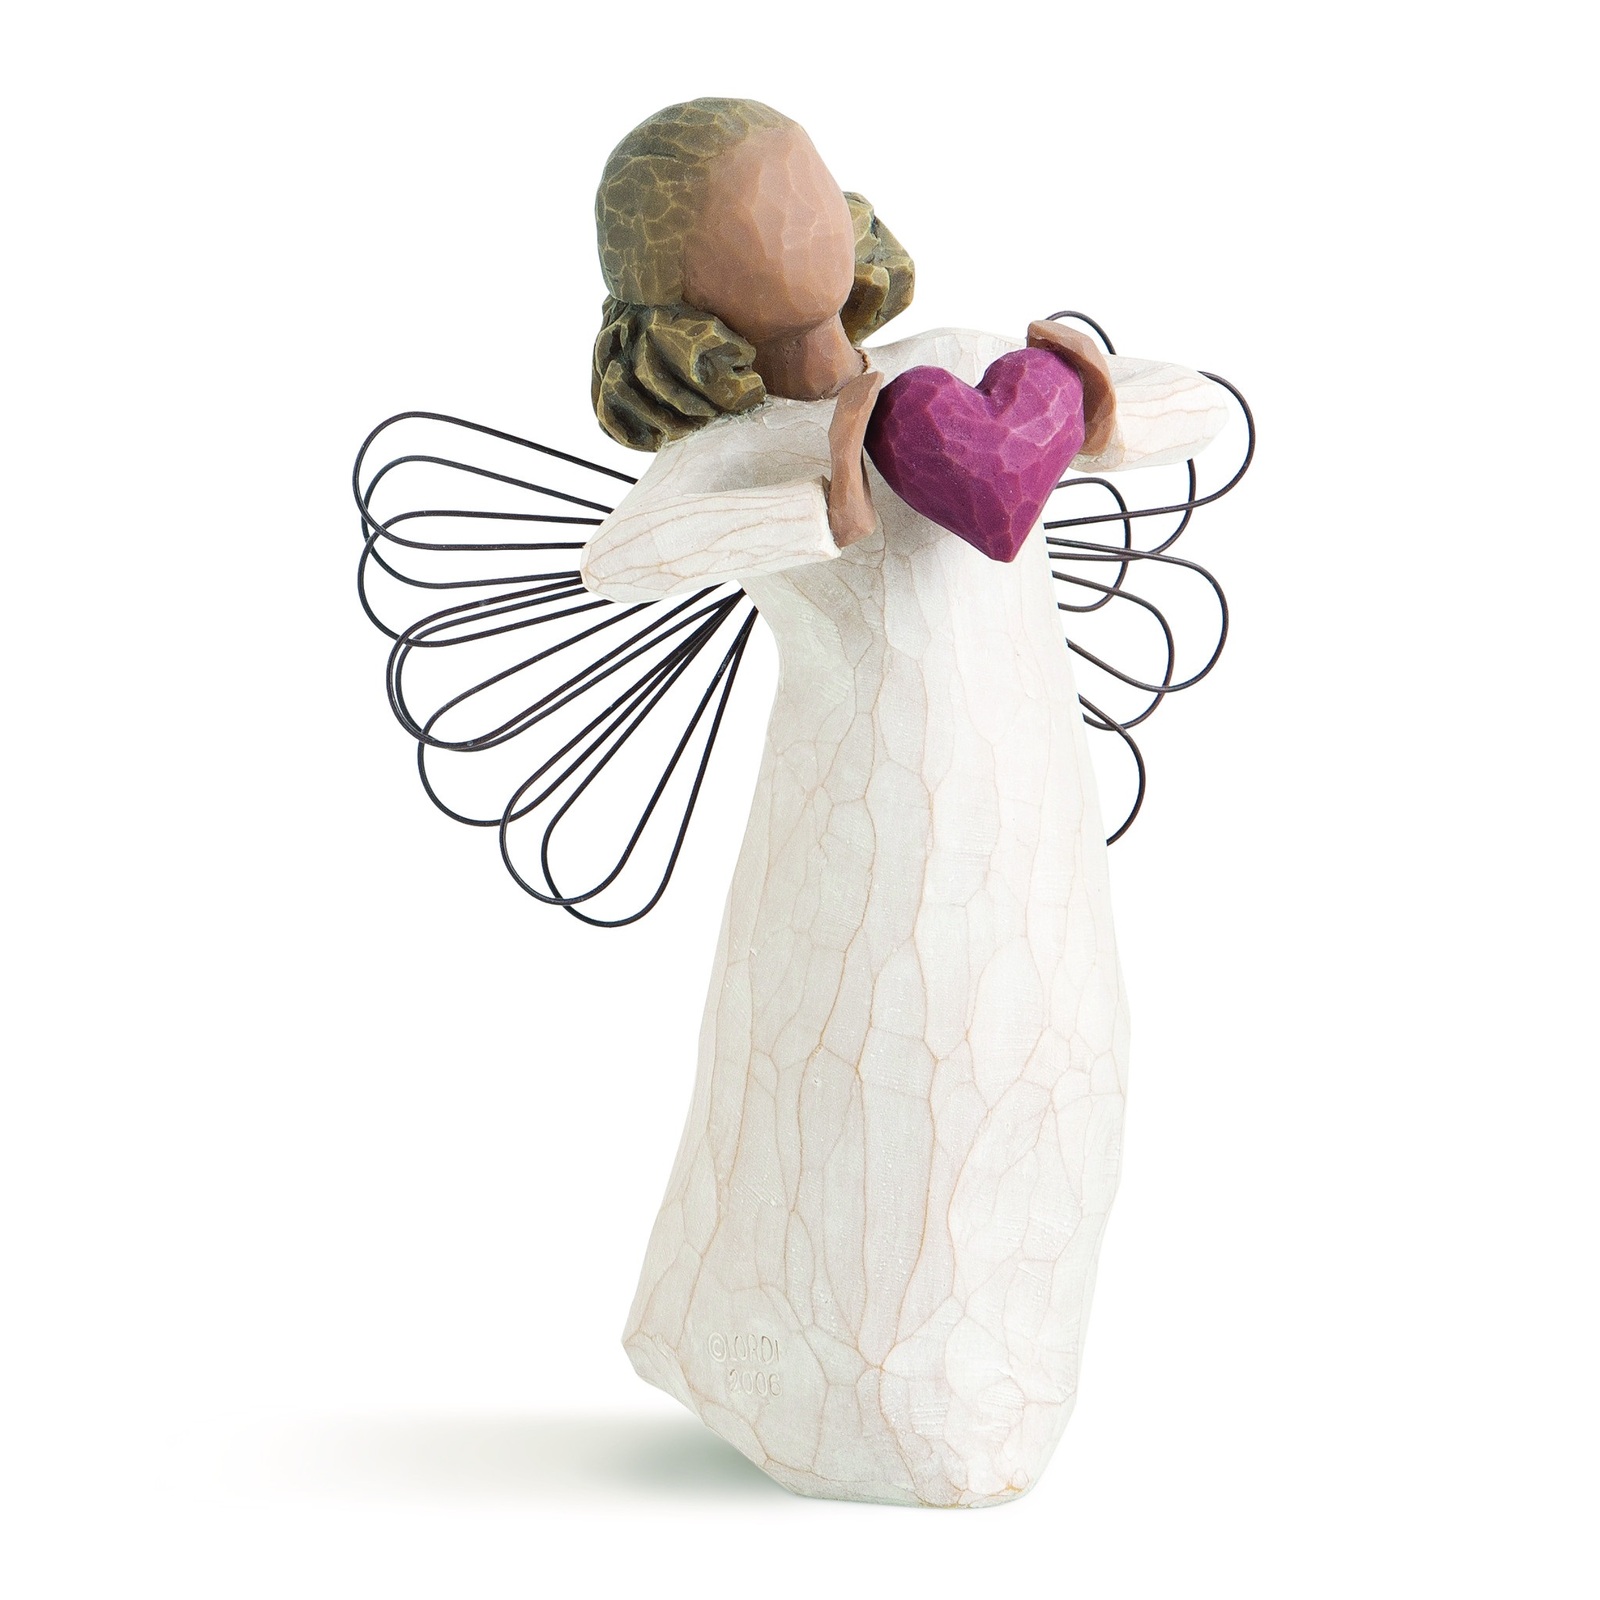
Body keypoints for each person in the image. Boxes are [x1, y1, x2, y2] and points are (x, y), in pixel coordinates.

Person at [579, 97, 1229, 1507]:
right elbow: (624, 554)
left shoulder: (951, 368)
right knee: (868, 1108)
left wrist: (1081, 385)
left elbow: (1195, 411)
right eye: (750, 221)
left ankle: (990, 1387)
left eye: (805, 182)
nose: (801, 219)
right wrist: (828, 488)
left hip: (1030, 828)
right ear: (682, 305)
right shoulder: (747, 451)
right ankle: (826, 1386)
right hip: (860, 856)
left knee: (1048, 1064)